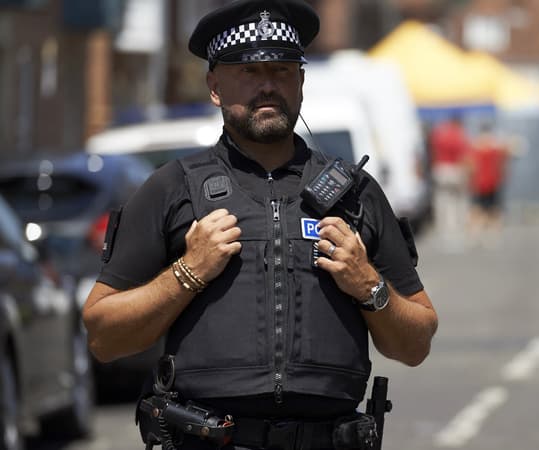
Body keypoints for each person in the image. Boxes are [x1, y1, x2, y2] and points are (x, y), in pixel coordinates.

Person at [81, 1, 438, 449]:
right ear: (215, 87)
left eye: (282, 71)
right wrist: (187, 272)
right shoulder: (172, 189)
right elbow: (103, 337)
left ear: (301, 82)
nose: (268, 86)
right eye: (249, 72)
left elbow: (416, 343)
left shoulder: (356, 194)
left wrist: (368, 284)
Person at [428, 115, 470, 251]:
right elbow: (464, 155)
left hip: (440, 169)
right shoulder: (459, 134)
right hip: (455, 170)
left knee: (442, 202)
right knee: (457, 203)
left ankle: (443, 232)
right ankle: (455, 234)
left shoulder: (439, 133)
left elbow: (432, 151)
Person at [467, 120, 511, 246]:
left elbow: (470, 165)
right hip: (493, 182)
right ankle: (493, 236)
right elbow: (504, 161)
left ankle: (475, 235)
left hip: (479, 183)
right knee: (494, 209)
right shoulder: (496, 146)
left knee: (477, 210)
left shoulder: (475, 146)